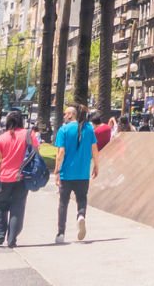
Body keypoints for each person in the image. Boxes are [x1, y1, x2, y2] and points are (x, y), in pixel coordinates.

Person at [0, 110, 37, 249]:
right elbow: (36, 152)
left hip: (4, 178)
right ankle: (12, 238)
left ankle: (0, 235)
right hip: (22, 177)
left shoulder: (1, 138)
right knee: (17, 208)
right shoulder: (29, 135)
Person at [53, 105, 97, 245]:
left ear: (71, 115)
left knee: (63, 203)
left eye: (66, 114)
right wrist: (97, 165)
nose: (64, 116)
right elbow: (94, 149)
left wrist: (57, 170)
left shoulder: (63, 130)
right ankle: (81, 216)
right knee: (82, 199)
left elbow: (61, 153)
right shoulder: (89, 129)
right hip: (83, 173)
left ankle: (61, 233)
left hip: (67, 174)